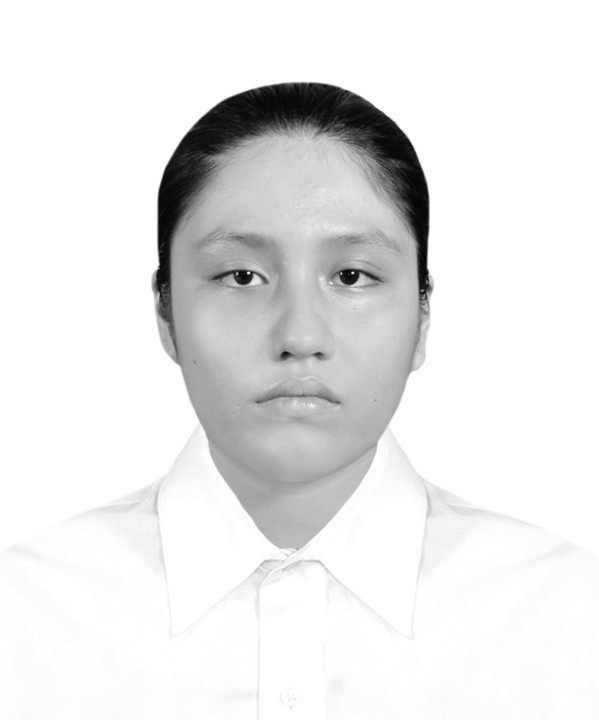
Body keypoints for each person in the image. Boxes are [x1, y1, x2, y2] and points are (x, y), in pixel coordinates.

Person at [1, 82, 598, 719]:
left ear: (423, 316)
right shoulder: (24, 616)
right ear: (166, 313)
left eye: (352, 276)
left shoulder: (568, 616)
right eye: (241, 276)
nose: (300, 336)